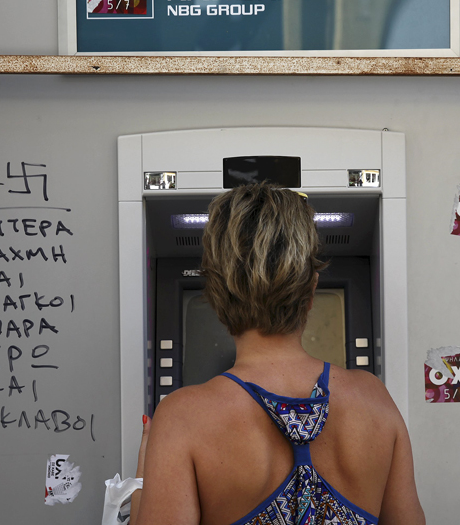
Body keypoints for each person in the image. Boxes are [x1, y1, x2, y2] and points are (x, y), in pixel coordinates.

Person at [131, 183, 425, 525]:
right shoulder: (375, 399)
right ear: (311, 288)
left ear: (216, 292)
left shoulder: (183, 418)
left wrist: (140, 486)